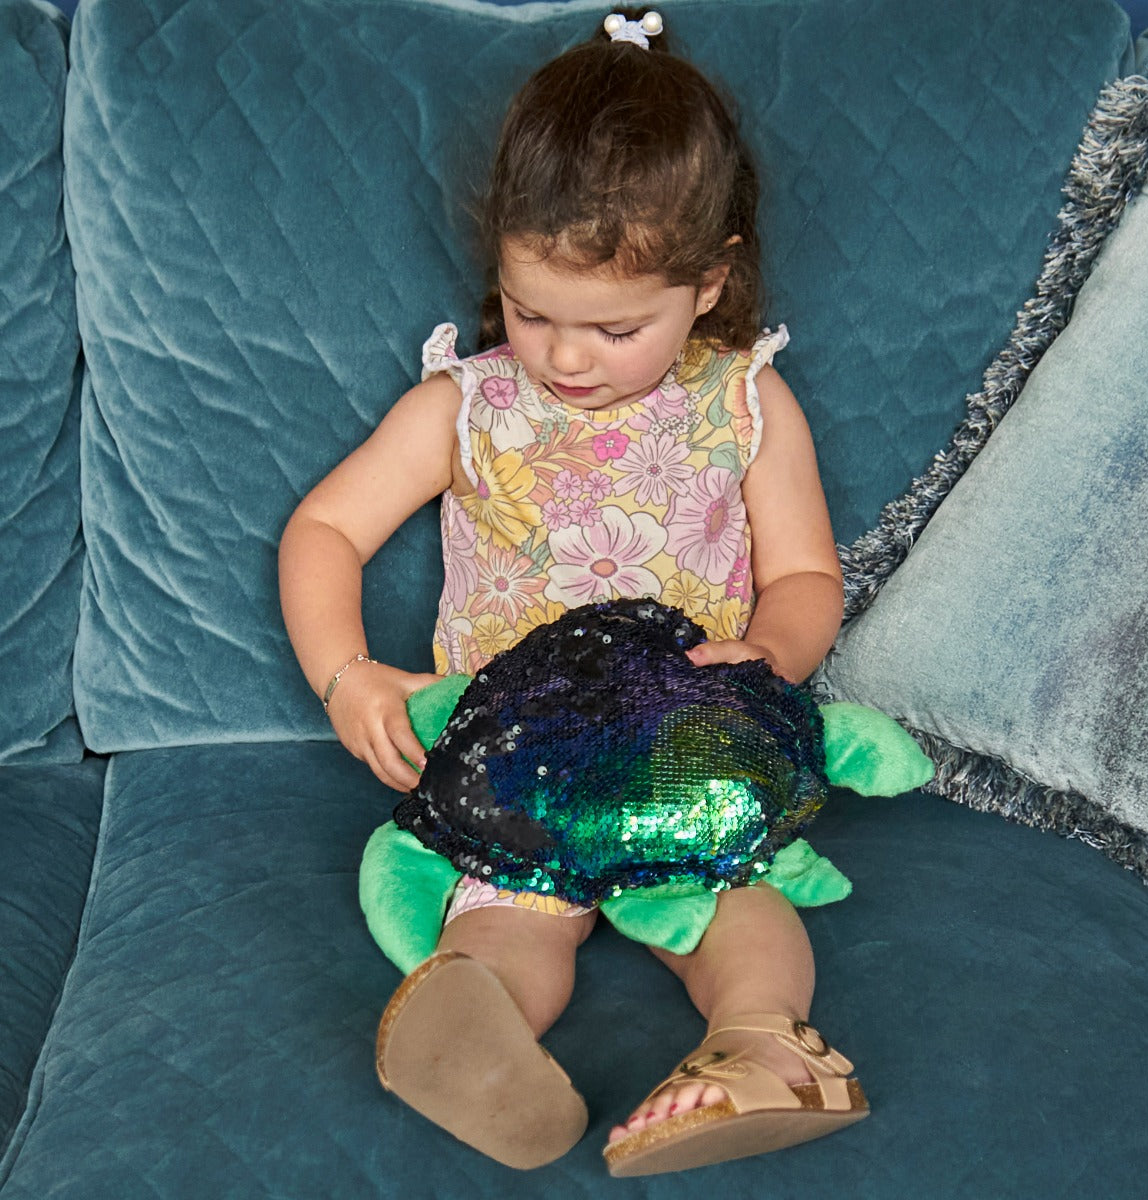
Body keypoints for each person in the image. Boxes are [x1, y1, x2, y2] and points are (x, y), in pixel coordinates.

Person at [279, 7, 866, 1176]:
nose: (563, 356)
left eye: (613, 326)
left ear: (710, 285)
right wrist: (344, 674)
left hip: (684, 740)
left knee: (731, 906)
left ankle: (763, 1045)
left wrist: (779, 654)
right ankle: (484, 1042)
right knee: (506, 921)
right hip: (517, 760)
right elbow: (325, 527)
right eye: (532, 310)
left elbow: (805, 572)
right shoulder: (467, 404)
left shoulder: (746, 405)